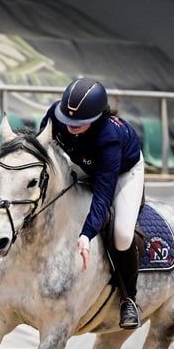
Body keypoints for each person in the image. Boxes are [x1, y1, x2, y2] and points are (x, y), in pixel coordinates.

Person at [39, 77, 145, 329]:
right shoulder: (56, 115)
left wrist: (86, 234)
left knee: (121, 234)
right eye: (69, 120)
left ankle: (129, 298)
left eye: (80, 123)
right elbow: (39, 150)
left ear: (97, 117)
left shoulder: (109, 138)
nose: (71, 126)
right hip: (84, 164)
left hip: (121, 173)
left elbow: (103, 195)